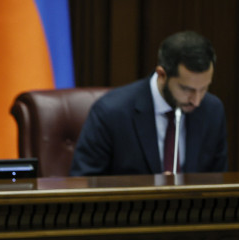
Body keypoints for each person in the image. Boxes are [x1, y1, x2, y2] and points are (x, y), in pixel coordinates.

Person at [70, 30, 228, 176]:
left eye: (204, 88)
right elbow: (84, 181)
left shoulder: (212, 110)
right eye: (187, 89)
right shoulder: (111, 112)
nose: (197, 101)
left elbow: (218, 181)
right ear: (162, 75)